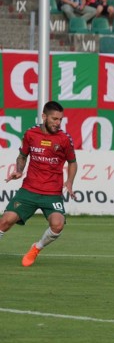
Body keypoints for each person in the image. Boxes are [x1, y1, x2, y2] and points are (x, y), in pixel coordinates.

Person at [0, 101, 77, 267]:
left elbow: (72, 162)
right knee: (5, 221)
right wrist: (19, 170)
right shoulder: (31, 134)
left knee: (58, 224)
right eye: (54, 119)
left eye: (60, 120)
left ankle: (36, 248)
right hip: (29, 190)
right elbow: (22, 156)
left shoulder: (64, 139)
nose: (58, 123)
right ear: (44, 116)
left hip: (52, 192)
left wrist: (69, 182)